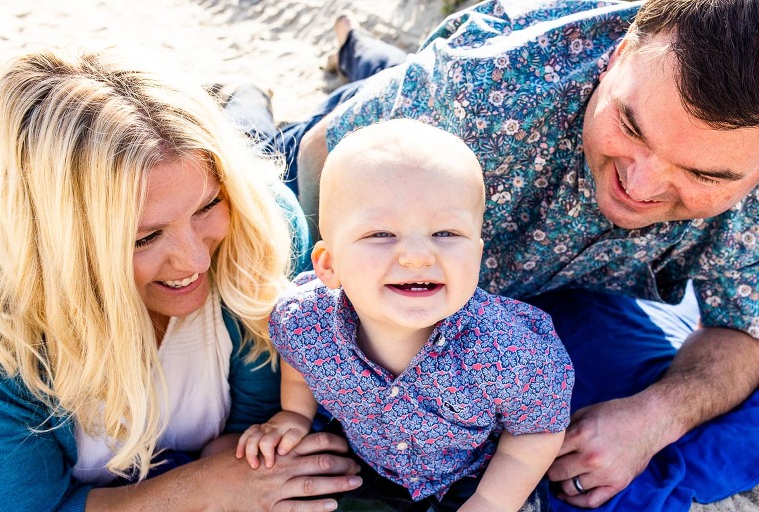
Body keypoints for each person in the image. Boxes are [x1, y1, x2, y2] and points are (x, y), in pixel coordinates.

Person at [224, 0, 759, 510]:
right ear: (617, 56)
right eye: (631, 127)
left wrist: (654, 417)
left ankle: (356, 44)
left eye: (703, 174)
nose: (639, 185)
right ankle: (251, 93)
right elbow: (322, 149)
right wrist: (348, 286)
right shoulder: (484, 86)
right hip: (367, 155)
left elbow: (747, 328)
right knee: (245, 151)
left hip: (513, 280)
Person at [0, 47, 364, 512]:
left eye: (207, 207)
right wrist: (203, 487)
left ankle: (252, 93)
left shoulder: (261, 227)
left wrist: (241, 455)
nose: (194, 260)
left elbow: (259, 412)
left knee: (270, 134)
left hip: (261, 161)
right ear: (61, 247)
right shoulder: (5, 346)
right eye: (144, 238)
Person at [237, 119, 574, 512]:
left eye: (446, 233)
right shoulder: (306, 320)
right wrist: (294, 413)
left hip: (473, 473)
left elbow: (535, 431)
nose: (418, 255)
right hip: (366, 462)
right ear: (329, 265)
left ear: (477, 255)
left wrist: (490, 502)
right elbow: (299, 358)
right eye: (381, 234)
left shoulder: (510, 352)